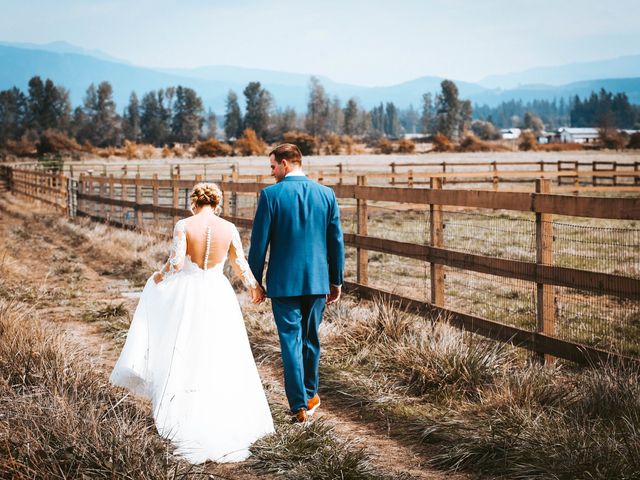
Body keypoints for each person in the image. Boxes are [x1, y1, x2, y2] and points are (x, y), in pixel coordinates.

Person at [109, 182, 274, 463]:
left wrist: (157, 278)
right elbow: (239, 263)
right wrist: (254, 287)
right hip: (218, 293)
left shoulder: (184, 225)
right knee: (221, 350)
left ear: (194, 202)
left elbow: (175, 264)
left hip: (189, 293)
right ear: (217, 203)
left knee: (185, 347)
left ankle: (185, 404)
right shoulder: (229, 228)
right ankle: (222, 405)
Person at [248, 143, 345, 423]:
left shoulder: (270, 196)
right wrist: (336, 279)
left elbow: (259, 244)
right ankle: (310, 393)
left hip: (283, 282)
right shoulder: (326, 195)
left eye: (273, 167)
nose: (272, 172)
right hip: (317, 280)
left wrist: (255, 281)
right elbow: (335, 241)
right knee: (311, 338)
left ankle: (298, 404)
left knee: (290, 340)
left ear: (286, 164)